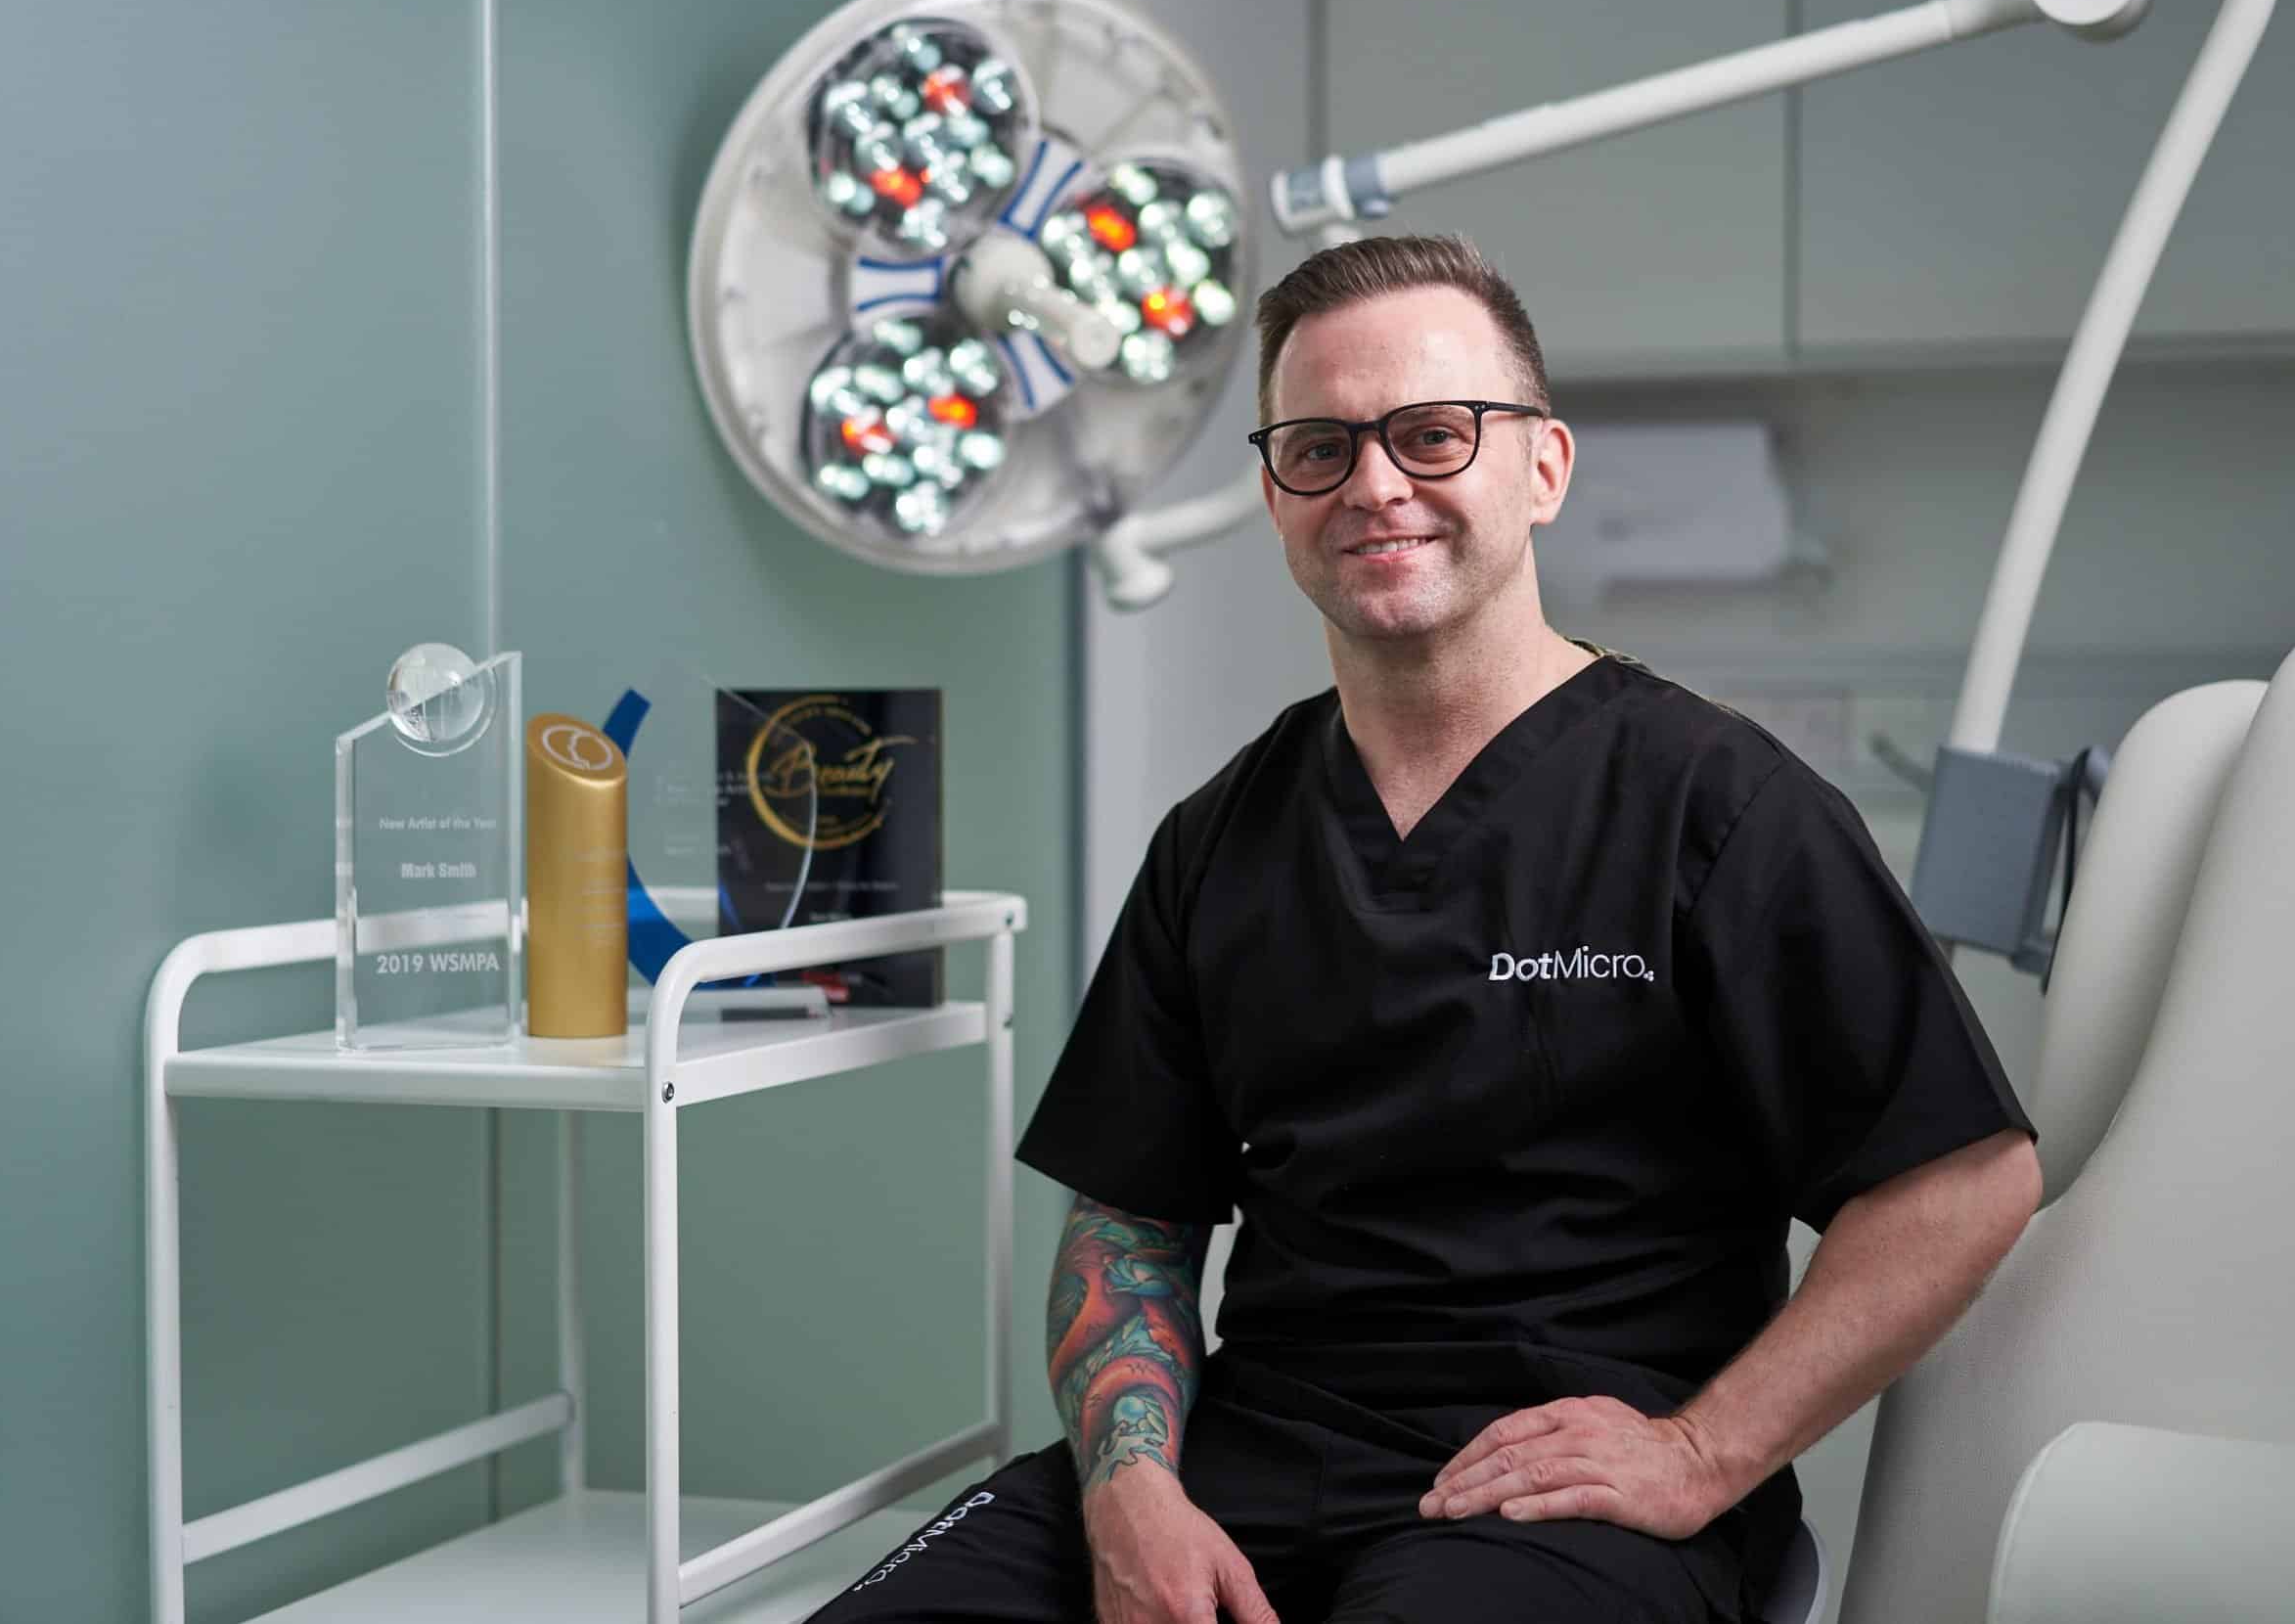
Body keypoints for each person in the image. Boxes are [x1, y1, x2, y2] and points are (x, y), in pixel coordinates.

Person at [808, 234, 2042, 1624]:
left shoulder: (1721, 808)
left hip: (1557, 1501)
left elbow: (1960, 1179)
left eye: (1433, 435)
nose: (1375, 484)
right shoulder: (1220, 841)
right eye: (1320, 447)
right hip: (1237, 1466)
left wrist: (1704, 1453)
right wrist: (1129, 1490)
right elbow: (1131, 1222)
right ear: (1278, 496)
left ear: (1545, 467)